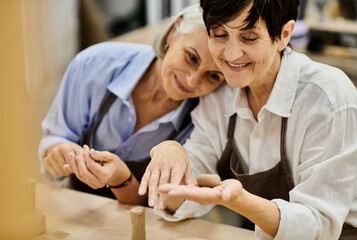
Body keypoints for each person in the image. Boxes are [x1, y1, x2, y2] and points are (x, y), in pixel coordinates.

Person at [138, 0, 357, 239]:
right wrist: (171, 154)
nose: (232, 54)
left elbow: (321, 225)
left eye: (250, 38)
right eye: (220, 34)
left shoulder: (326, 98)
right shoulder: (221, 91)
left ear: (284, 35)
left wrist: (242, 201)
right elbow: (185, 197)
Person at [38, 4, 224, 205]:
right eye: (191, 57)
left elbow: (162, 209)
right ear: (173, 33)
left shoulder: (205, 120)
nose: (192, 81)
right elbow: (56, 137)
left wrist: (120, 177)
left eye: (213, 76)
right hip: (76, 208)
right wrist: (59, 152)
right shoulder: (92, 65)